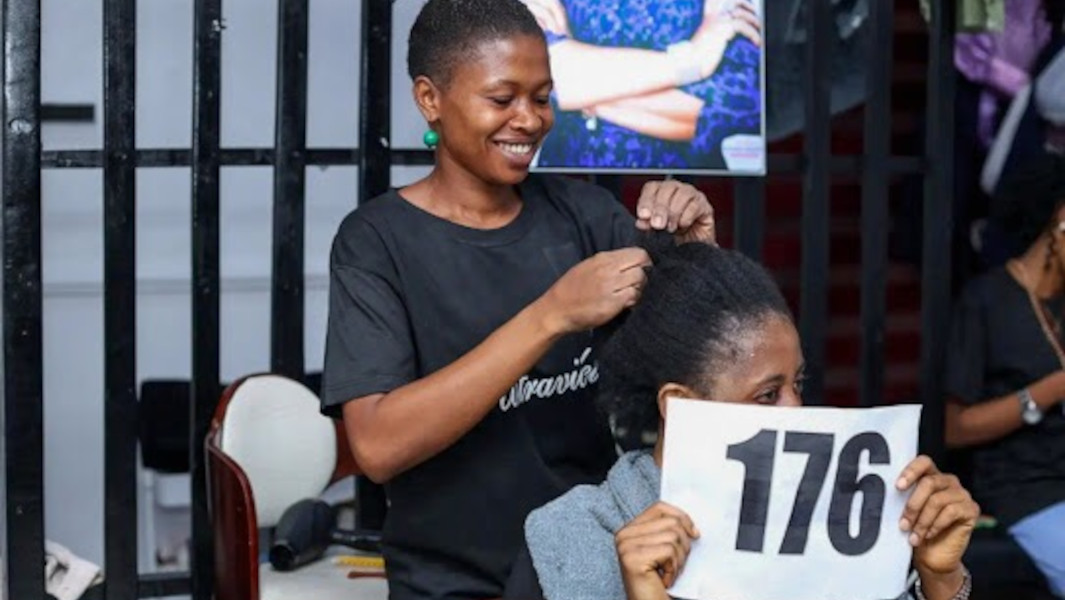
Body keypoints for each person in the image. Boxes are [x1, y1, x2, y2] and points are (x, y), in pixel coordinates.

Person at [320, 1, 716, 598]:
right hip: (450, 581)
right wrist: (551, 315)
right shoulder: (377, 240)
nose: (529, 120)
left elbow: (707, 377)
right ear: (430, 99)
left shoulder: (587, 218)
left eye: (542, 97)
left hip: (593, 572)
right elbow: (376, 447)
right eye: (503, 99)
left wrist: (699, 255)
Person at [508, 236, 980, 600]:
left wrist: (941, 581)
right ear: (678, 403)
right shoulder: (575, 535)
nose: (796, 410)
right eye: (768, 395)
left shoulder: (848, 525)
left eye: (799, 384)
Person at [944, 151, 1065, 598]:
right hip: (1027, 491)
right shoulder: (988, 301)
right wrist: (1050, 390)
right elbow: (953, 428)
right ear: (1059, 222)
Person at [519, 0, 763, 170]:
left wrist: (586, 89)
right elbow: (539, 70)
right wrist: (692, 61)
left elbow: (741, 96)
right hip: (573, 188)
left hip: (683, 191)